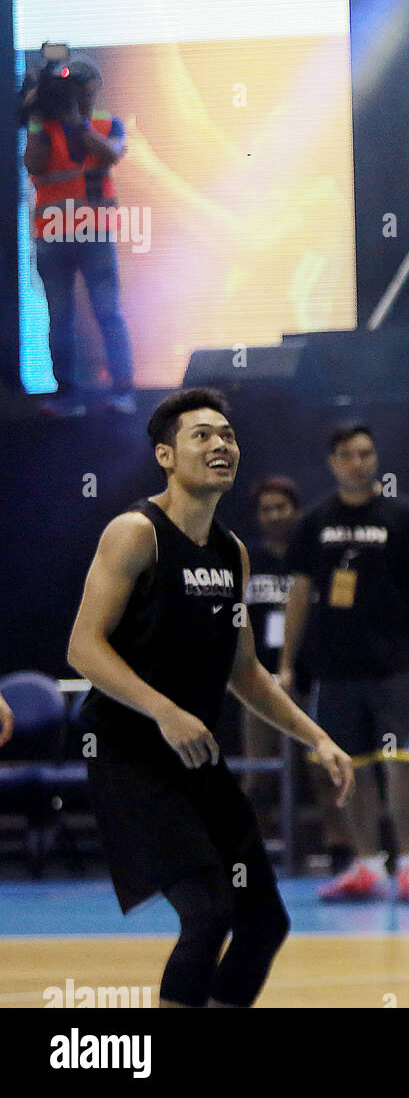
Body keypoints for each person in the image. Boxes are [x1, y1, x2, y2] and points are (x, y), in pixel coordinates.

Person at [68, 388, 354, 1008]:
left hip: (193, 758)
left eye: (226, 435)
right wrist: (166, 711)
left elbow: (246, 673)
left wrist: (318, 738)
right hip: (129, 755)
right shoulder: (135, 533)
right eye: (202, 435)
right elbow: (84, 649)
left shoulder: (232, 554)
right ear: (166, 456)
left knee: (263, 921)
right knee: (208, 914)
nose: (220, 444)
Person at [279, 422, 409, 903]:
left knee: (401, 762)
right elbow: (299, 591)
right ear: (333, 462)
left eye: (365, 453)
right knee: (350, 767)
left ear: (375, 457)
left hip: (396, 665)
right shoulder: (316, 521)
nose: (357, 462)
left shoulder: (404, 516)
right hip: (335, 669)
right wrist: (285, 663)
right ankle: (366, 864)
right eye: (347, 455)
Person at [23, 58, 136, 418]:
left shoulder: (106, 124)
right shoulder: (42, 127)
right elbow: (34, 164)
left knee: (108, 312)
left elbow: (112, 153)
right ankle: (66, 396)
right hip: (53, 237)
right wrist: (40, 119)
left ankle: (122, 392)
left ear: (93, 88)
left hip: (95, 235)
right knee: (60, 316)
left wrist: (78, 122)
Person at [240, 476, 301, 832]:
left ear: (296, 510)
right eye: (267, 510)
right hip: (257, 682)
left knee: (322, 768)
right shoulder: (246, 560)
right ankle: (257, 847)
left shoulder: (310, 558)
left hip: (307, 678)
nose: (275, 515)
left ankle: (340, 851)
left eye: (281, 507)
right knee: (258, 772)